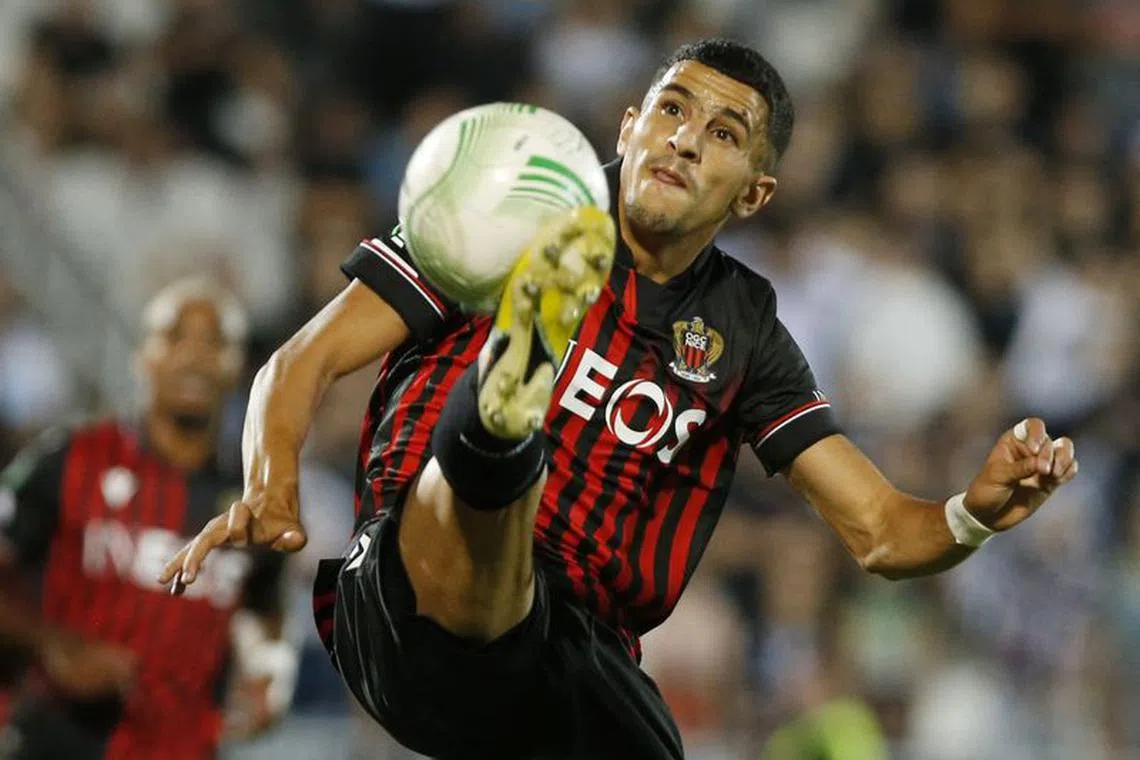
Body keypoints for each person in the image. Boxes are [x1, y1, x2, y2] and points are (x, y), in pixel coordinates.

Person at [162, 39, 1079, 760]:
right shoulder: (506, 209)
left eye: (722, 133)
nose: (685, 137)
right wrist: (271, 483)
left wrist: (973, 513)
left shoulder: (745, 328)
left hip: (572, 662)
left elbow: (883, 531)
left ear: (753, 193)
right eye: (672, 111)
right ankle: (503, 406)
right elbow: (297, 362)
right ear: (630, 125)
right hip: (409, 608)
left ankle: (510, 396)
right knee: (489, 473)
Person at [0, 278, 297, 759]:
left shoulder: (254, 501)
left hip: (184, 746)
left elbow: (266, 608)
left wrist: (270, 672)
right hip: (57, 739)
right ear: (143, 355)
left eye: (215, 341)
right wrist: (51, 645)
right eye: (176, 335)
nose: (195, 355)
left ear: (240, 367)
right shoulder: (71, 459)